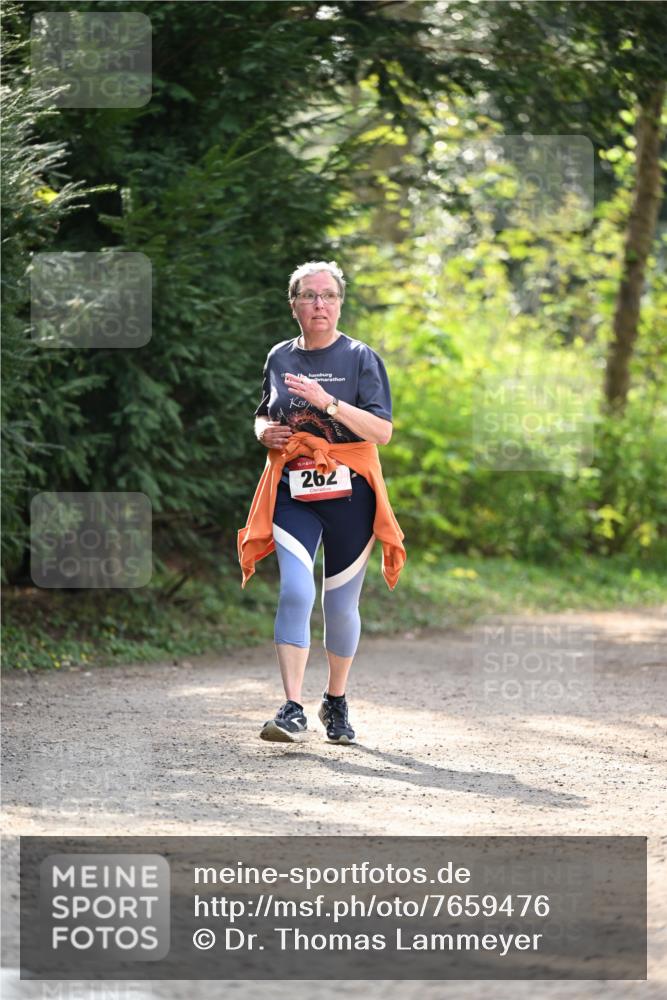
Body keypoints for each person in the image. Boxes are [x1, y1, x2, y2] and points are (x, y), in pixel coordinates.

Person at [237, 260, 406, 745]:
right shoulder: (279, 357)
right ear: (294, 305)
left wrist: (325, 402)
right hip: (294, 492)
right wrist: (264, 432)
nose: (319, 304)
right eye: (309, 296)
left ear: (339, 302)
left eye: (328, 295)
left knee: (339, 606)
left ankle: (335, 701)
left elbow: (382, 431)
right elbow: (262, 415)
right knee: (294, 590)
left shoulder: (360, 357)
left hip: (352, 495)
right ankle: (292, 707)